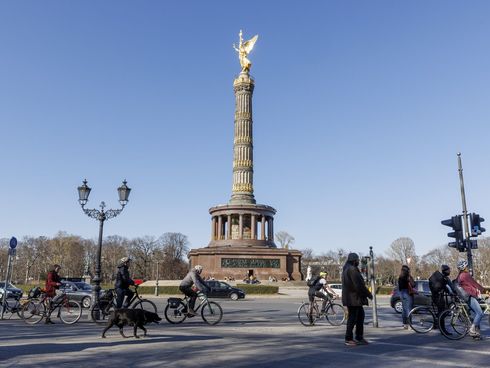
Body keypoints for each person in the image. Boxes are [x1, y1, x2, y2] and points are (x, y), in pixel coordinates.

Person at [342, 253, 373, 346]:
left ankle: (359, 337)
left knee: (360, 317)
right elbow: (359, 285)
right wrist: (368, 294)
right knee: (353, 318)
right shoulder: (352, 269)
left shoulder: (346, 268)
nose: (358, 261)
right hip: (354, 298)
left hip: (352, 298)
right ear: (354, 260)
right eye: (357, 260)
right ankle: (349, 338)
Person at [456, 259, 485, 338]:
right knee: (480, 313)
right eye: (466, 266)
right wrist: (484, 290)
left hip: (468, 296)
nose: (468, 267)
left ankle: (476, 334)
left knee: (476, 313)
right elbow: (474, 283)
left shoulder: (460, 275)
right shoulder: (465, 275)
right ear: (464, 267)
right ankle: (472, 330)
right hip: (469, 296)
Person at [398, 265, 415, 329]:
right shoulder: (408, 277)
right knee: (409, 309)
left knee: (404, 309)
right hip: (408, 293)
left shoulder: (400, 277)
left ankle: (405, 324)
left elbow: (399, 287)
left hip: (402, 293)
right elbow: (413, 285)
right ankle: (409, 324)